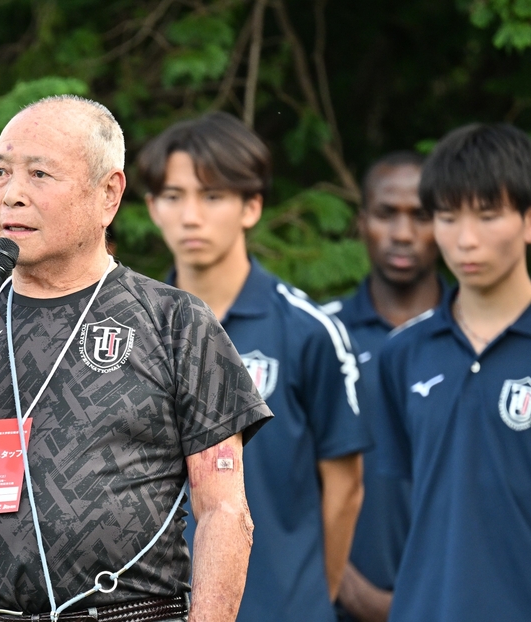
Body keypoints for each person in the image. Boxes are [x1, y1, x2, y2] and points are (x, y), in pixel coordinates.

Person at [0, 95, 273, 622]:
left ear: (108, 194)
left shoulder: (174, 321)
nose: (11, 195)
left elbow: (224, 510)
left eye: (39, 174)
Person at [139, 112, 371, 622]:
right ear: (152, 208)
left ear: (251, 207)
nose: (191, 216)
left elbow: (345, 486)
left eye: (213, 196)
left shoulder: (308, 331)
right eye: (173, 196)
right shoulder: (128, 331)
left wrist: (306, 597)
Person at [372, 123, 531, 622]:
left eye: (488, 216)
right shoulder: (401, 355)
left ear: (528, 220)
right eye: (446, 217)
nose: (465, 240)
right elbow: (398, 509)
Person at [325, 153, 445, 622]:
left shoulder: (484, 341)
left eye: (422, 216)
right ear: (362, 222)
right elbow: (287, 481)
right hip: (340, 603)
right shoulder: (320, 336)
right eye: (385, 214)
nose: (402, 233)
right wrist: (350, 590)